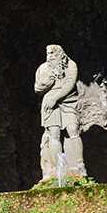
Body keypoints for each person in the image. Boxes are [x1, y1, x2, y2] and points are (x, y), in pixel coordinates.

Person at [34, 44, 86, 179]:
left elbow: (70, 83)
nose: (49, 57)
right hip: (49, 104)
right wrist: (48, 81)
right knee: (54, 133)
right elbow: (37, 87)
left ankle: (80, 165)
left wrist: (55, 98)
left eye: (52, 53)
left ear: (60, 54)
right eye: (48, 54)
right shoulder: (44, 68)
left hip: (67, 101)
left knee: (73, 128)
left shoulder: (70, 65)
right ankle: (58, 170)